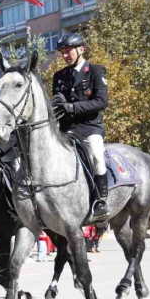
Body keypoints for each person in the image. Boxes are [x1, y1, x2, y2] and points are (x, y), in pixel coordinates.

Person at [51, 33, 110, 221]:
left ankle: (101, 200)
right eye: (63, 53)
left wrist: (72, 107)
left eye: (69, 51)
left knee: (96, 155)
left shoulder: (95, 71)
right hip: (66, 129)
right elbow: (56, 103)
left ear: (81, 49)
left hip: (89, 127)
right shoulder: (59, 76)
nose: (66, 56)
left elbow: (101, 102)